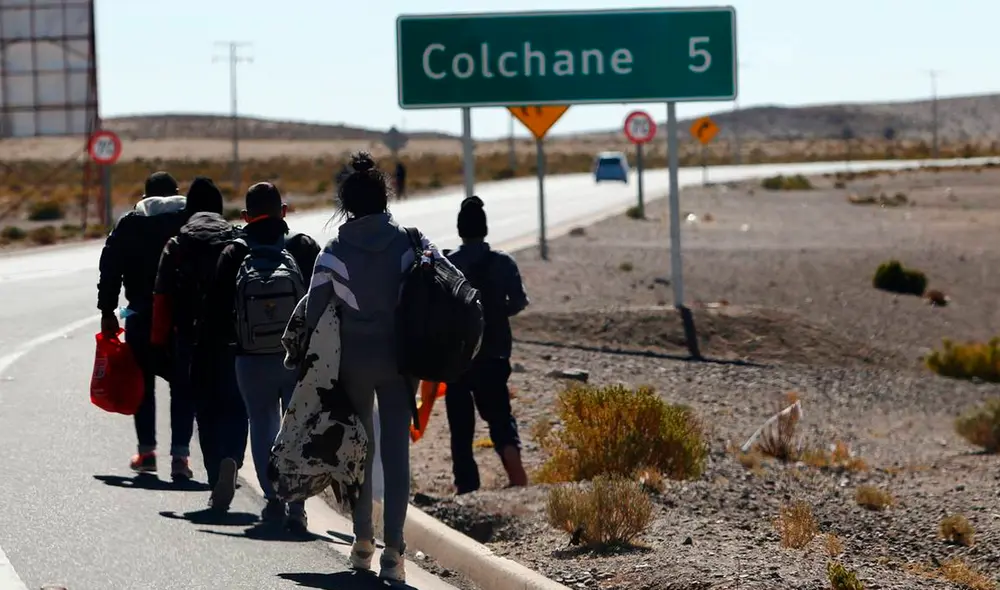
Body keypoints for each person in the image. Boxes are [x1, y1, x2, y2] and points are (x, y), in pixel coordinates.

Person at [300, 151, 459, 583]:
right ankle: (395, 553)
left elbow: (312, 312)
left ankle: (361, 542)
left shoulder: (333, 250)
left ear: (346, 205)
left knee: (360, 454)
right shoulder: (410, 241)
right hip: (402, 362)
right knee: (396, 455)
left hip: (354, 365)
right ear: (385, 198)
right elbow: (449, 278)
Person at [201, 181, 320, 531]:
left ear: (244, 217)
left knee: (262, 423)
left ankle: (273, 500)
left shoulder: (233, 253)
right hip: (297, 358)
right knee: (296, 427)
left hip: (250, 358)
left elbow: (217, 313)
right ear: (284, 212)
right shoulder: (302, 247)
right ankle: (297, 506)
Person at [151, 176, 248, 512]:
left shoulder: (177, 244)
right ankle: (233, 458)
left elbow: (161, 298)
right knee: (235, 405)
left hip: (189, 339)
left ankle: (213, 477)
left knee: (204, 409)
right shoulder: (236, 240)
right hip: (231, 339)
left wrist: (158, 343)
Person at [96, 171, 196, 480]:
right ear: (178, 193)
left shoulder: (131, 223)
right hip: (182, 318)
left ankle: (147, 453)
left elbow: (110, 266)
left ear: (144, 196)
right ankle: (180, 458)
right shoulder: (189, 221)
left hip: (140, 315)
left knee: (143, 385)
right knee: (182, 385)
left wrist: (108, 310)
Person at [444, 196, 530, 494]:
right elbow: (519, 301)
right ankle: (518, 478)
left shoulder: (449, 263)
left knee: (460, 425)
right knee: (500, 418)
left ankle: (466, 487)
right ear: (485, 229)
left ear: (460, 229)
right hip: (494, 353)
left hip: (458, 356)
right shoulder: (503, 262)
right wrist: (495, 314)